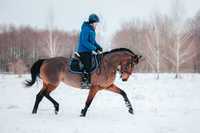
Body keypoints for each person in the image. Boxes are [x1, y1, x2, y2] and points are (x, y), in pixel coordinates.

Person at [77, 14, 103, 88]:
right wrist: (94, 49)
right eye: (96, 23)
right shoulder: (86, 29)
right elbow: (84, 41)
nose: (97, 25)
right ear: (92, 22)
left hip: (88, 50)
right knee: (88, 65)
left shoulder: (92, 30)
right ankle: (84, 82)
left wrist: (98, 47)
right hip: (83, 51)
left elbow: (93, 42)